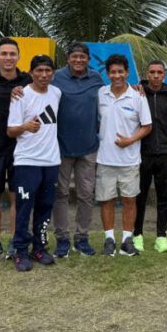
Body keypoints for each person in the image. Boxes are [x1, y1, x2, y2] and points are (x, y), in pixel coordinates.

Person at [7, 55, 62, 271]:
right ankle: (20, 251)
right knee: (24, 207)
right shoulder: (21, 95)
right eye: (39, 71)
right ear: (31, 73)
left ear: (53, 74)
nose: (43, 75)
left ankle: (39, 248)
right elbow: (10, 131)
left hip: (51, 161)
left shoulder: (56, 93)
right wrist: (25, 127)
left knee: (45, 207)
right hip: (26, 161)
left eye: (48, 71)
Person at [0, 38, 32, 263]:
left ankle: (14, 242)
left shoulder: (27, 80)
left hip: (21, 148)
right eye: (4, 54)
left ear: (19, 57)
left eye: (13, 54)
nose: (8, 58)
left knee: (16, 197)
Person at [96, 54, 152, 256]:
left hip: (129, 160)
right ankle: (109, 239)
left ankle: (127, 240)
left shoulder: (138, 96)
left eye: (120, 71)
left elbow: (147, 126)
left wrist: (129, 140)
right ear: (108, 73)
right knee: (106, 200)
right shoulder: (101, 94)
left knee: (129, 200)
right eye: (113, 72)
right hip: (105, 159)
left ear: (127, 73)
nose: (117, 75)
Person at [51, 43, 104, 258]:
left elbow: (110, 96)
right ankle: (62, 239)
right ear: (68, 58)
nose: (79, 60)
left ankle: (82, 238)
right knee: (60, 194)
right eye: (75, 57)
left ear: (88, 59)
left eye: (82, 57)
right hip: (61, 147)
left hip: (89, 147)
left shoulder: (97, 79)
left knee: (86, 195)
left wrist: (138, 88)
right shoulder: (55, 77)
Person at [134, 60, 167, 253]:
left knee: (164, 198)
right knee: (139, 197)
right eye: (152, 72)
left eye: (160, 72)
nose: (156, 76)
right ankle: (137, 236)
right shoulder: (137, 93)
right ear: (147, 74)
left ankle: (161, 237)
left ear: (164, 74)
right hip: (143, 153)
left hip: (166, 153)